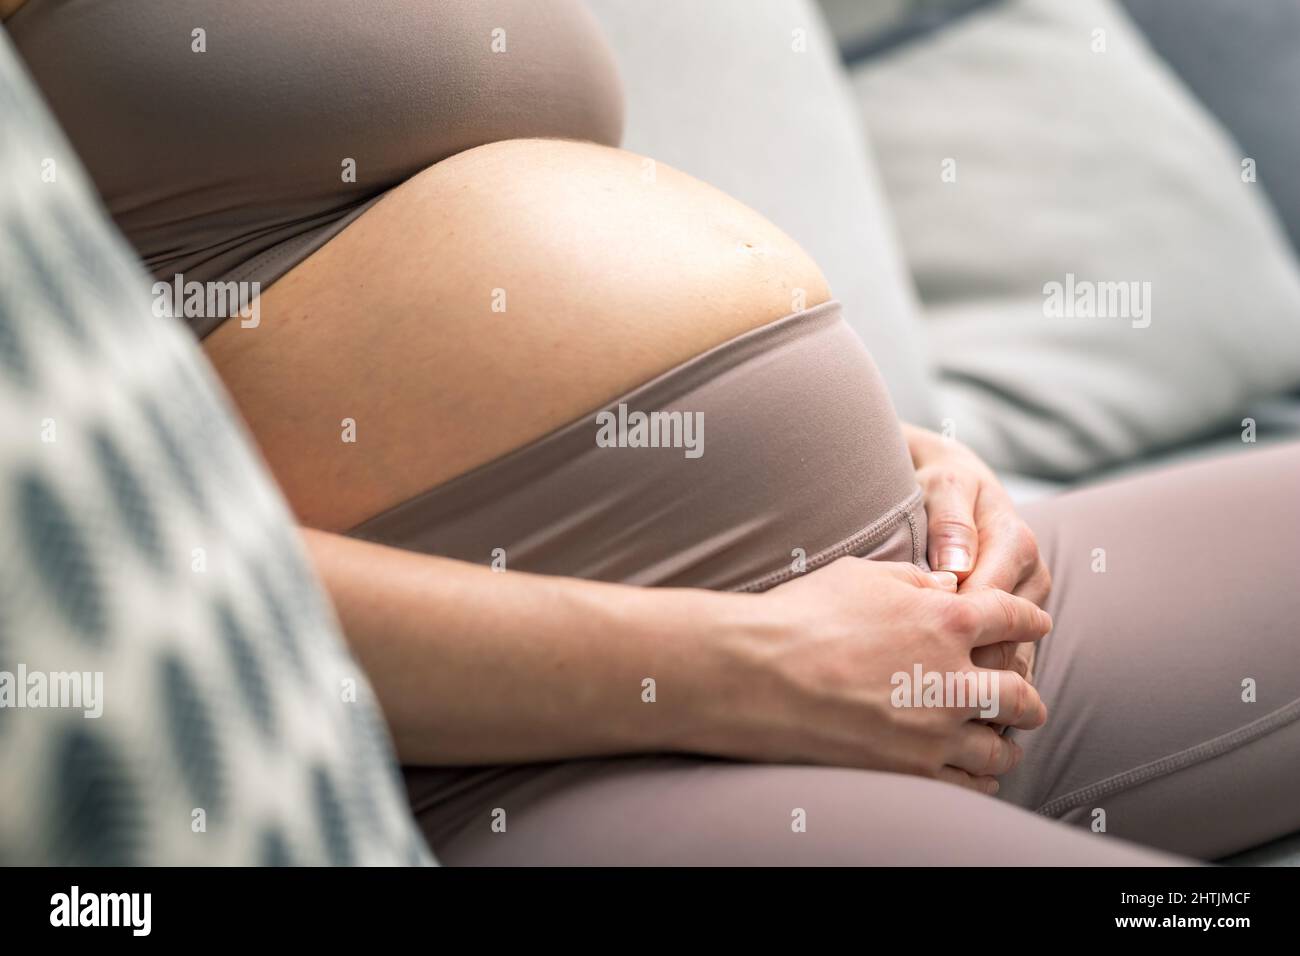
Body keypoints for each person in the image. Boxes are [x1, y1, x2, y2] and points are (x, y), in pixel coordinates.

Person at [7, 0, 1297, 864]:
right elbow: (83, 576)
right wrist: (759, 669)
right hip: (550, 760)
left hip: (915, 609)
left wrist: (919, 459)